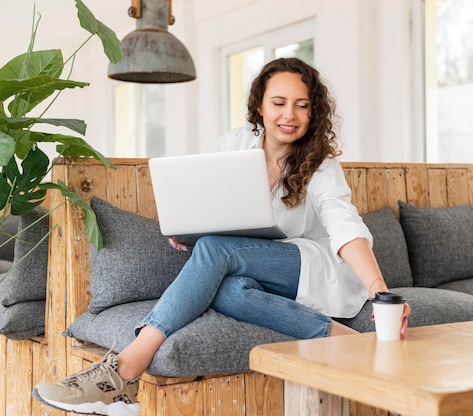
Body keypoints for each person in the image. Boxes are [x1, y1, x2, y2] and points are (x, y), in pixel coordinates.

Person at [32, 57, 411, 416]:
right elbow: (216, 206)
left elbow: (344, 225)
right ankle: (344, 339)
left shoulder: (321, 165)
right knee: (229, 291)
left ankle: (125, 368)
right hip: (251, 263)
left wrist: (379, 291)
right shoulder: (236, 143)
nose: (289, 115)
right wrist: (191, 230)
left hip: (310, 265)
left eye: (302, 105)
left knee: (216, 250)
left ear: (314, 113)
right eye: (279, 102)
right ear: (260, 106)